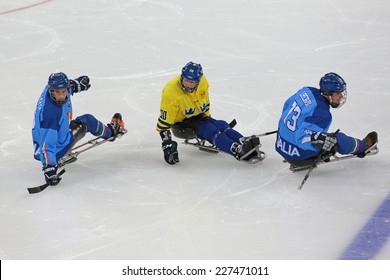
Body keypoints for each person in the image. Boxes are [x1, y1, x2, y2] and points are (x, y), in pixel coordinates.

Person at [156, 61, 262, 165]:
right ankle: (237, 149)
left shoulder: (203, 82)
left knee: (222, 125)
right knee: (209, 129)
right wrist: (167, 143)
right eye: (185, 80)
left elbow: (205, 101)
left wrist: (208, 119)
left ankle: (243, 141)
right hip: (180, 124)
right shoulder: (171, 93)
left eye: (192, 82)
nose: (188, 85)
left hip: (199, 117)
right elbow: (164, 124)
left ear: (198, 81)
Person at [32, 72, 125, 185]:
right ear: (52, 91)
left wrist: (76, 84)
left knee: (71, 122)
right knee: (88, 120)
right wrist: (49, 168)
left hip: (46, 138)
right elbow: (46, 146)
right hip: (55, 148)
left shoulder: (51, 90)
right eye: (57, 92)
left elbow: (66, 87)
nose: (61, 96)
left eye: (64, 91)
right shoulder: (51, 114)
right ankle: (111, 132)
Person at [275, 72, 378, 168]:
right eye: (337, 93)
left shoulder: (306, 91)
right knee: (336, 139)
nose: (341, 96)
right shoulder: (323, 114)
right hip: (297, 156)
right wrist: (319, 139)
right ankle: (363, 147)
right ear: (327, 93)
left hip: (280, 143)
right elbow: (302, 138)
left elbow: (287, 105)